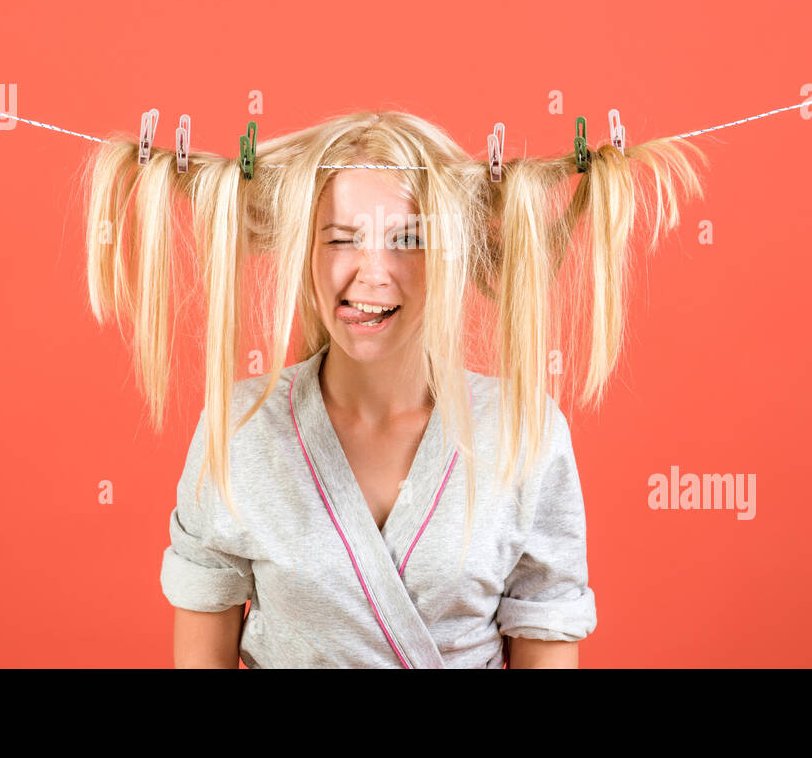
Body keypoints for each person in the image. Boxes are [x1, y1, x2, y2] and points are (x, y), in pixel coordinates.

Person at [82, 109, 704, 667]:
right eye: (341, 238)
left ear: (451, 255)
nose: (372, 273)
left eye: (408, 239)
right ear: (304, 252)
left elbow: (546, 630)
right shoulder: (239, 429)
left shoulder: (524, 432)